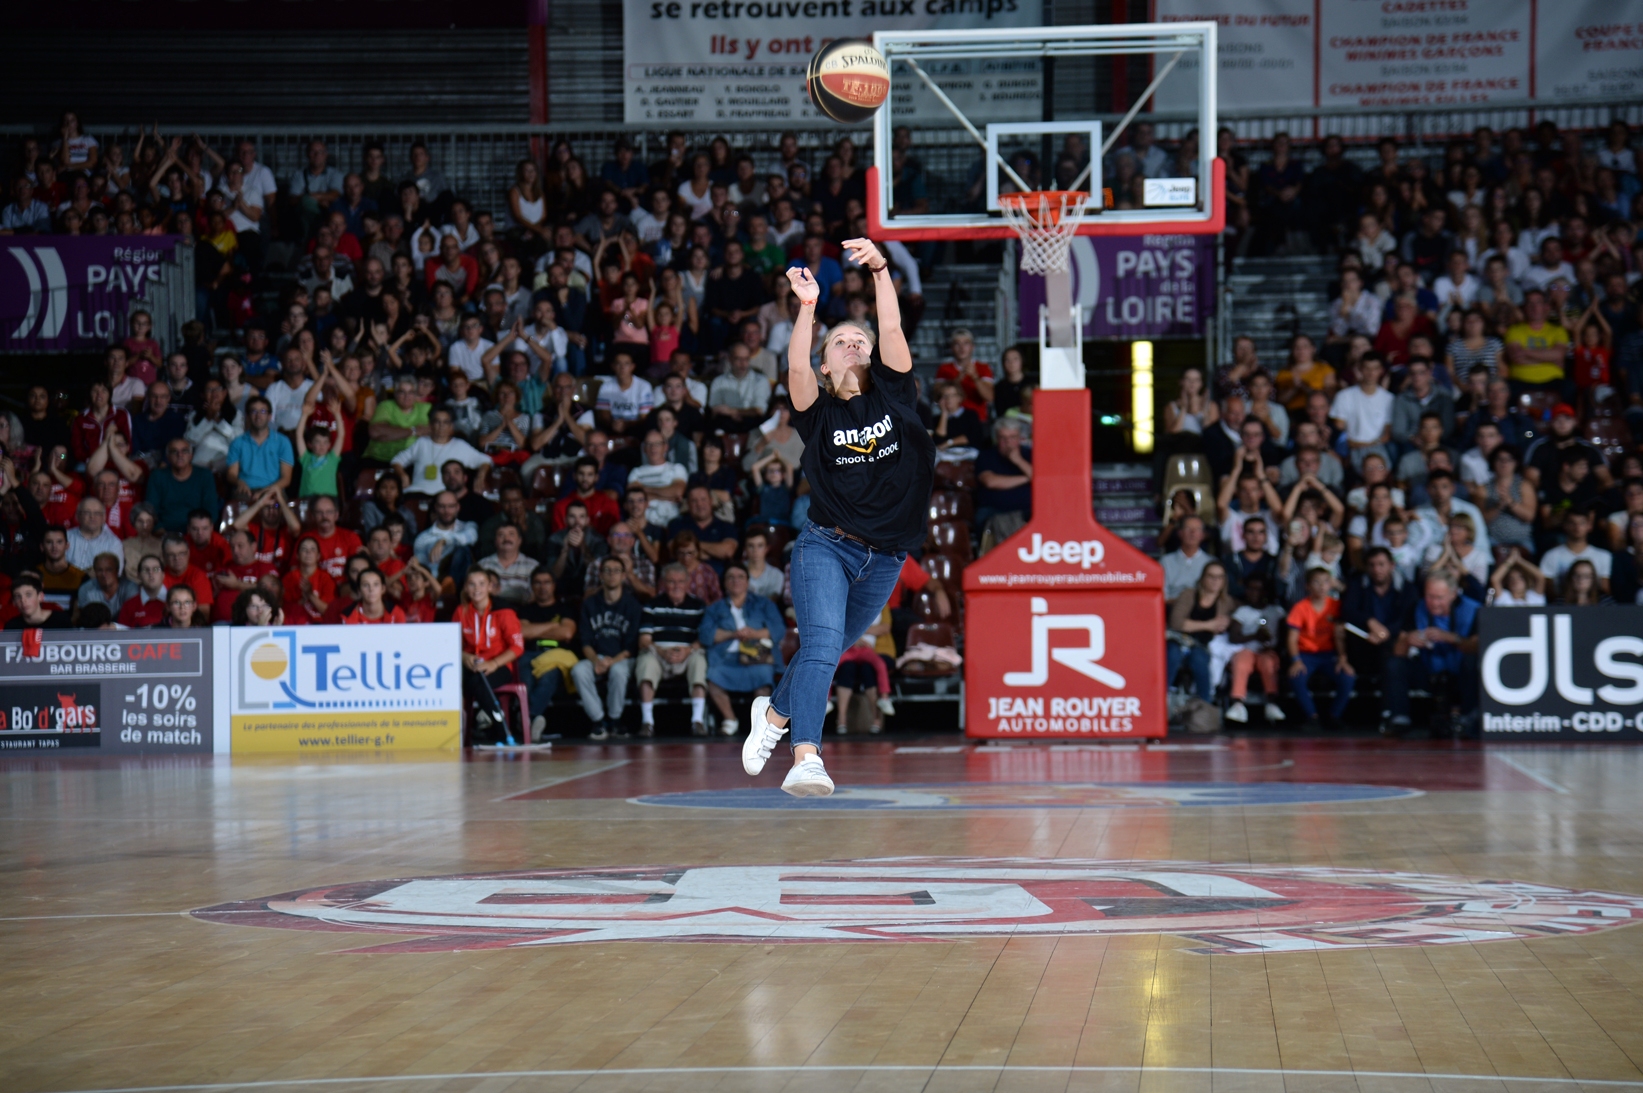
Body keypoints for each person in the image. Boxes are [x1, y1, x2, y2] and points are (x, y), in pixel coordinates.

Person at [741, 240, 932, 797]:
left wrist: (878, 269)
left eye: (859, 341)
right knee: (822, 645)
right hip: (828, 546)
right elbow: (796, 364)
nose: (852, 344)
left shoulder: (896, 395)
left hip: (886, 557)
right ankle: (806, 756)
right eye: (840, 342)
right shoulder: (816, 411)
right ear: (827, 364)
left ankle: (772, 715)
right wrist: (806, 310)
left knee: (826, 649)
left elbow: (891, 330)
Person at [1385, 571, 1481, 736]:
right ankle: (1400, 717)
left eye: (1440, 597)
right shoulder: (1416, 607)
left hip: (1462, 674)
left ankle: (1468, 716)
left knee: (1472, 661)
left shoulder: (1474, 610)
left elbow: (1478, 646)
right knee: (1395, 664)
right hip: (1429, 671)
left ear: (1453, 594)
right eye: (1430, 596)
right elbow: (1398, 651)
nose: (1434, 603)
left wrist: (1451, 638)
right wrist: (1408, 639)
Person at [700, 562, 786, 737]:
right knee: (713, 675)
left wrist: (753, 633)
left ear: (747, 581)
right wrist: (733, 634)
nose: (736, 581)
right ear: (724, 582)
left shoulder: (764, 604)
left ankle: (759, 724)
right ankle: (730, 719)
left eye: (740, 577)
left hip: (757, 657)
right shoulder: (714, 608)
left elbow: (778, 630)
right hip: (726, 656)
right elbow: (706, 635)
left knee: (763, 675)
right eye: (731, 577)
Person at [635, 562, 710, 737]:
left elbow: (704, 638)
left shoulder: (698, 606)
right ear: (663, 583)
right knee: (645, 660)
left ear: (688, 582)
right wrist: (662, 651)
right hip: (658, 653)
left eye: (680, 581)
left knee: (700, 660)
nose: (676, 586)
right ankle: (647, 722)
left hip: (688, 653)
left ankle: (697, 721)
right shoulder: (652, 605)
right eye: (671, 582)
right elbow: (644, 640)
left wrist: (688, 650)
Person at [574, 555, 644, 740]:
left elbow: (631, 645)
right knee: (579, 670)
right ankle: (598, 721)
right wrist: (597, 661)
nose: (612, 575)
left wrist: (612, 661)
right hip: (596, 657)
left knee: (619, 672)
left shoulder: (632, 605)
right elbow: (585, 641)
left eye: (616, 571)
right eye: (607, 571)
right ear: (601, 575)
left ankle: (615, 720)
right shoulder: (590, 604)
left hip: (623, 658)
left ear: (623, 576)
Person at [453, 568, 523, 745]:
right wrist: (464, 657)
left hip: (499, 667)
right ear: (466, 588)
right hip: (470, 666)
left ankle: (498, 731)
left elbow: (517, 647)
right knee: (472, 679)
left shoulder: (504, 611)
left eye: (482, 584)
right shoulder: (461, 612)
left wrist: (493, 663)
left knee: (477, 682)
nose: (477, 588)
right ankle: (502, 733)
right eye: (472, 584)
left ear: (490, 587)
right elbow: (451, 644)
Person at [1286, 567, 1355, 730]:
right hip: (1305, 654)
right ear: (1308, 586)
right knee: (1296, 677)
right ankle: (1312, 717)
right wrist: (1295, 660)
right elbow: (1291, 638)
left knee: (1348, 676)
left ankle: (1334, 716)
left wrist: (1342, 659)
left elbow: (1340, 636)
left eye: (1325, 582)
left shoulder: (1336, 605)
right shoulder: (1300, 607)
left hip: (1328, 654)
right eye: (1316, 582)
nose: (1322, 586)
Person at [516, 566, 579, 740]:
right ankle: (533, 722)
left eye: (546, 583)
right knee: (524, 674)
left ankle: (528, 718)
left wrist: (535, 629)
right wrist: (552, 625)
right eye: (537, 583)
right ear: (531, 586)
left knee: (549, 675)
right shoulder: (526, 610)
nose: (542, 587)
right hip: (529, 653)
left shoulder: (565, 608)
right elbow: (522, 633)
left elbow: (566, 633)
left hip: (555, 655)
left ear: (553, 586)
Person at [1166, 562, 1234, 703]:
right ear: (1202, 578)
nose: (1215, 580)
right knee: (1172, 655)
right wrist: (1209, 625)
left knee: (1200, 661)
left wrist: (1229, 621)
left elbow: (1239, 616)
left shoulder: (1227, 602)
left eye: (1220, 577)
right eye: (1211, 576)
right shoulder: (1189, 594)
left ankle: (1205, 706)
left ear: (1224, 581)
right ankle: (1160, 699)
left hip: (1202, 644)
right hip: (1178, 639)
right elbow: (1176, 623)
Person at [1222, 573, 1284, 724]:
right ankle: (1237, 704)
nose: (1254, 593)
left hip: (1268, 651)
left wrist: (1271, 644)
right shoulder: (1242, 611)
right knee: (1241, 662)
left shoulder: (1277, 611)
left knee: (1268, 663)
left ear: (1266, 591)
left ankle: (1272, 703)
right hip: (1246, 649)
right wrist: (1255, 636)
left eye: (1259, 590)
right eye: (1251, 589)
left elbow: (1284, 636)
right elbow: (1233, 637)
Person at [225, 396, 294, 499]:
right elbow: (231, 474)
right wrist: (239, 482)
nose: (258, 416)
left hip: (273, 490)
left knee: (279, 505)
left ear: (270, 416)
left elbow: (286, 478)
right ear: (247, 416)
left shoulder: (282, 442)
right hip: (246, 491)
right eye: (253, 411)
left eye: (262, 411)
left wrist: (267, 491)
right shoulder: (237, 443)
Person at [1161, 514, 1211, 603]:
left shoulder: (1210, 562)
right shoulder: (1166, 561)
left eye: (1197, 529)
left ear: (1202, 535)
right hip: (1172, 606)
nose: (1192, 532)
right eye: (1188, 529)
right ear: (1180, 533)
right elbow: (1163, 593)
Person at [5, 572, 72, 630]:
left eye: (28, 595)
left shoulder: (61, 621)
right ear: (14, 602)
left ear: (40, 596)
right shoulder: (11, 627)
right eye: (18, 596)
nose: (23, 601)